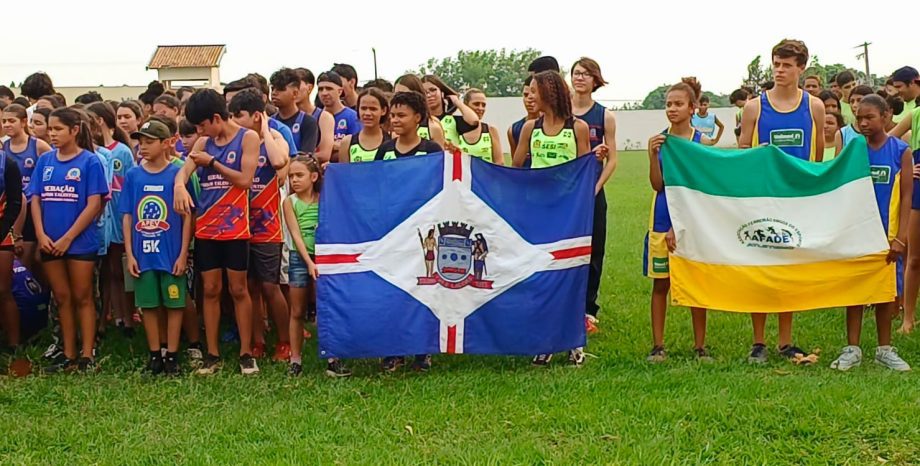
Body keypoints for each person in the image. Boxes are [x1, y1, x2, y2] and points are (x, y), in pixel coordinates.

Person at [739, 39, 825, 364]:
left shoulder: (814, 107)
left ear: (801, 68)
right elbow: (744, 154)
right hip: (762, 202)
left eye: (787, 65)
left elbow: (816, 160)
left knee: (789, 270)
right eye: (776, 63)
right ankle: (758, 341)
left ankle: (786, 341)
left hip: (797, 203)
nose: (779, 70)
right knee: (760, 269)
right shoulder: (755, 107)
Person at [173, 89, 260, 376]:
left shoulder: (248, 138)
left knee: (238, 289)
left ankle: (246, 353)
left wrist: (212, 163)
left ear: (215, 118)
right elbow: (184, 171)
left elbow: (245, 180)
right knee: (209, 290)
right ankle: (212, 354)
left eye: (201, 125)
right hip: (207, 228)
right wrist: (179, 186)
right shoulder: (202, 141)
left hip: (236, 227)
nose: (199, 132)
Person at [511, 70, 591, 366]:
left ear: (549, 92)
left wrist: (593, 161)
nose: (530, 96)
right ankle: (544, 341)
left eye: (534, 91)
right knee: (540, 273)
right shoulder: (531, 128)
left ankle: (573, 342)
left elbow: (585, 169)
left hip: (569, 214)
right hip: (537, 212)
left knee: (570, 274)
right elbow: (516, 165)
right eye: (528, 91)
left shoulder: (578, 128)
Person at [830, 95, 912, 372]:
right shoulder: (853, 150)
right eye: (859, 118)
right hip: (857, 233)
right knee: (855, 293)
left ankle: (884, 349)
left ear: (886, 116)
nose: (863, 123)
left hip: (887, 237)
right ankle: (852, 348)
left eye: (870, 117)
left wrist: (901, 237)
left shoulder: (901, 151)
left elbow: (907, 197)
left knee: (885, 295)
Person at [29, 107, 109, 373]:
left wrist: (68, 237)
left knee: (83, 296)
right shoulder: (46, 161)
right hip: (49, 240)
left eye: (58, 129)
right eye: (50, 129)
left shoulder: (90, 161)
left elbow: (94, 203)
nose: (52, 134)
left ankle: (87, 354)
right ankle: (68, 352)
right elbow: (36, 198)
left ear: (74, 130)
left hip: (80, 241)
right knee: (61, 297)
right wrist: (41, 234)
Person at [644, 78, 711, 362]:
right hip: (660, 220)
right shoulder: (661, 140)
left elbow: (703, 187)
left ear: (692, 108)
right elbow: (658, 186)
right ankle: (658, 346)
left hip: (692, 222)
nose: (672, 109)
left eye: (678, 104)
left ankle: (700, 346)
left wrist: (679, 225)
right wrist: (652, 156)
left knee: (697, 285)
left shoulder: (702, 143)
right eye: (668, 104)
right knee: (661, 284)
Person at [121, 119, 192, 376]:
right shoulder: (133, 175)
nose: (143, 147)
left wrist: (183, 253)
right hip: (143, 253)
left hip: (171, 252)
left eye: (150, 142)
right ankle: (155, 354)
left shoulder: (178, 175)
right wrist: (130, 254)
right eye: (140, 142)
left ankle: (172, 354)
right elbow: (127, 215)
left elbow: (187, 217)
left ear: (166, 143)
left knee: (174, 304)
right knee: (148, 305)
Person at [228, 89, 292, 362]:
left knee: (270, 286)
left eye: (238, 115)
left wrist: (265, 129)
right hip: (239, 224)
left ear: (256, 115)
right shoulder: (236, 143)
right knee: (249, 286)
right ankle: (257, 340)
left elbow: (279, 162)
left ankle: (286, 340)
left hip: (268, 225)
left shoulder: (275, 137)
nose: (232, 120)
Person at [283, 155, 350, 377]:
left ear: (313, 177)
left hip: (325, 256)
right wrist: (309, 262)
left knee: (326, 309)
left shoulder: (325, 199)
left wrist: (333, 172)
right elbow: (296, 235)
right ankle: (295, 359)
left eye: (299, 175)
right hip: (300, 258)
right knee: (297, 310)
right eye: (291, 176)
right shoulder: (289, 202)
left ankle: (333, 358)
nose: (294, 180)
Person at [570, 57, 619, 333]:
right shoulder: (562, 112)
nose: (580, 78)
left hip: (592, 192)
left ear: (595, 80)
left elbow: (612, 158)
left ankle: (589, 309)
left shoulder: (604, 116)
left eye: (586, 74)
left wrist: (596, 187)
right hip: (566, 193)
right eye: (576, 73)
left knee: (594, 250)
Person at [86, 102, 137, 337]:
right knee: (105, 271)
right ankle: (108, 316)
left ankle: (127, 317)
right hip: (101, 218)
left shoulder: (121, 152)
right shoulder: (91, 154)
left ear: (99, 121)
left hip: (118, 213)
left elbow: (129, 184)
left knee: (118, 269)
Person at [2, 104, 52, 276]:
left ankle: (39, 298)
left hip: (33, 209)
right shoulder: (3, 147)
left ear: (23, 121)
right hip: (11, 210)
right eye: (4, 121)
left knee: (34, 259)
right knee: (16, 262)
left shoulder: (39, 146)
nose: (7, 124)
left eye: (11, 120)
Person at [889, 96, 920, 333]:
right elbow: (888, 140)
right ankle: (908, 318)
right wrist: (906, 165)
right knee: (914, 257)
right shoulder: (916, 115)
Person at [0, 130, 23, 352]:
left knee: (3, 290)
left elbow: (16, 203)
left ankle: (14, 343)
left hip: (2, 234)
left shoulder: (7, 164)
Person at [374, 92, 443, 161]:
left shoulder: (432, 150)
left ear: (417, 117)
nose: (394, 120)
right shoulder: (385, 149)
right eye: (392, 115)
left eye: (401, 115)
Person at [270, 68, 319, 157]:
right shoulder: (268, 122)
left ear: (295, 93)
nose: (274, 93)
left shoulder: (308, 122)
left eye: (280, 89)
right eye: (273, 89)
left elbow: (306, 157)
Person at [421, 75, 479, 147]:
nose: (429, 95)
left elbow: (474, 121)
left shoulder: (453, 121)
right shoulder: (417, 122)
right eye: (424, 92)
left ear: (442, 93)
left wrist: (456, 101)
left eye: (433, 90)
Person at [316, 71, 361, 159]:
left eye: (329, 88)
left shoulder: (352, 117)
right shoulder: (315, 117)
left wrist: (329, 146)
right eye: (321, 89)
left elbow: (355, 146)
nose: (324, 93)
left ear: (340, 91)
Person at [293, 68, 335, 162]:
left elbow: (324, 154)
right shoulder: (280, 117)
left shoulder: (324, 117)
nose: (294, 90)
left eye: (297, 85)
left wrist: (293, 160)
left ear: (309, 88)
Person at [339, 88, 390, 163]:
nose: (367, 113)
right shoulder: (347, 142)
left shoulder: (393, 140)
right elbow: (343, 173)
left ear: (383, 110)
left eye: (373, 109)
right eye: (363, 108)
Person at [394, 74, 447, 147]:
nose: (400, 99)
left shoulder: (433, 126)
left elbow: (439, 156)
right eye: (397, 94)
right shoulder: (391, 126)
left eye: (405, 94)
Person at [457, 89, 503, 164]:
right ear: (465, 105)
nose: (480, 108)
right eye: (476, 104)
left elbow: (499, 163)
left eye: (483, 105)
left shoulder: (491, 130)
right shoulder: (453, 129)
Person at [508, 76, 540, 167]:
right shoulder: (514, 130)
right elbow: (516, 165)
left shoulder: (553, 125)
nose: (530, 99)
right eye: (526, 95)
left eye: (533, 94)